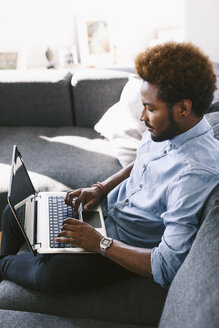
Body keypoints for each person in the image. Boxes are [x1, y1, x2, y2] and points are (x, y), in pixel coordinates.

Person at [1, 41, 219, 292]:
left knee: (50, 274)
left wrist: (99, 243)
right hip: (101, 211)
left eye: (150, 108)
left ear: (183, 108)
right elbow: (143, 161)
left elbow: (167, 264)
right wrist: (100, 189)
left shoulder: (195, 173)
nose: (142, 117)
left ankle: (5, 265)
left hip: (119, 245)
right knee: (17, 211)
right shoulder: (168, 129)